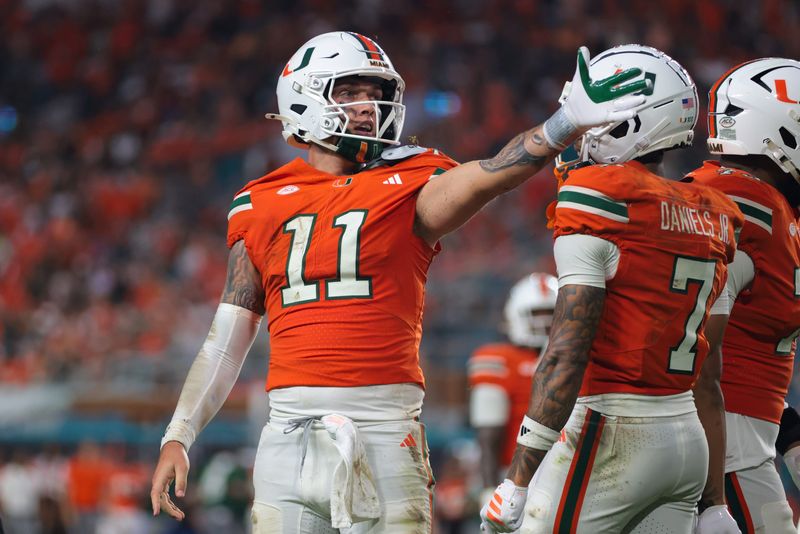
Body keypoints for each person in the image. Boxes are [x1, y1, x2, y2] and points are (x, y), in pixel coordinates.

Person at [149, 31, 652, 533]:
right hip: (287, 437)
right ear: (303, 97)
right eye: (349, 92)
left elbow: (490, 173)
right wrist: (180, 433)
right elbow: (227, 340)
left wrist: (560, 126)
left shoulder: (411, 178)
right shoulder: (259, 201)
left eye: (374, 93)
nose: (368, 106)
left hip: (386, 431)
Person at [479, 44, 744, 533]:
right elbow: (709, 374)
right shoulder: (716, 214)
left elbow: (566, 350)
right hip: (687, 437)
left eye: (594, 118)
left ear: (632, 123)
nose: (582, 133)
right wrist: (714, 499)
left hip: (614, 427)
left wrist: (516, 478)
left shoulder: (601, 197)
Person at [685, 57, 800, 534]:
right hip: (719, 448)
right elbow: (690, 350)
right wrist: (712, 499)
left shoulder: (763, 203)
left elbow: (742, 341)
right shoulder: (738, 205)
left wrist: (788, 430)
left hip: (743, 437)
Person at [468, 273, 557, 503]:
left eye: (552, 312)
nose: (545, 322)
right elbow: (488, 435)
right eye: (537, 313)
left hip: (565, 473)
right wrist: (489, 488)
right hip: (515, 479)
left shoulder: (582, 361)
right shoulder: (499, 360)